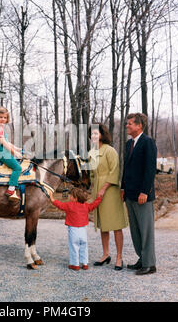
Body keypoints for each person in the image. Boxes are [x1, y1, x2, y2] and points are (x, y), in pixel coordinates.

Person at [121, 113, 157, 275]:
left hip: (143, 195)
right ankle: (142, 259)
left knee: (146, 230)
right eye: (127, 124)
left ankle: (150, 264)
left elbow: (150, 170)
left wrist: (145, 191)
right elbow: (126, 168)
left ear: (139, 126)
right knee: (135, 230)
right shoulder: (129, 144)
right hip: (130, 194)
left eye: (129, 124)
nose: (127, 126)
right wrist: (123, 188)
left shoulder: (147, 143)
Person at [88, 123, 128, 271]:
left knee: (116, 225)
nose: (93, 136)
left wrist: (104, 188)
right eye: (91, 134)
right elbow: (92, 174)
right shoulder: (91, 153)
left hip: (110, 190)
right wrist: (94, 188)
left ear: (102, 135)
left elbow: (115, 172)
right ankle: (106, 254)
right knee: (103, 225)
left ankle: (119, 257)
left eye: (96, 134)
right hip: (97, 189)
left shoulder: (110, 151)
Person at [49, 188, 102, 271]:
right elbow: (94, 205)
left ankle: (75, 264)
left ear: (75, 198)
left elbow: (60, 205)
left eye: (71, 196)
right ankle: (84, 263)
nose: (70, 196)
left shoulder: (69, 205)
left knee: (74, 246)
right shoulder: (86, 206)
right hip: (83, 230)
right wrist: (99, 198)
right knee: (83, 247)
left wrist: (52, 199)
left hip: (73, 230)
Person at [0, 106, 22, 201]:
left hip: (4, 150)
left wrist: (16, 148)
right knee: (18, 168)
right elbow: (4, 143)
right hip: (2, 153)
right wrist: (14, 152)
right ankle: (11, 189)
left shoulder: (0, 128)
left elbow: (7, 142)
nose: (3, 119)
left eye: (5, 117)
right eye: (0, 117)